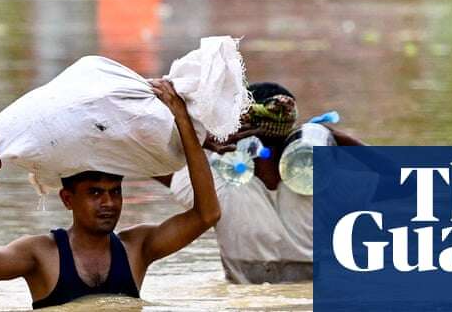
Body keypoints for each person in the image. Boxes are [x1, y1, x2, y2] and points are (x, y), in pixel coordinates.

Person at [0, 79, 220, 309]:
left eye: (115, 192)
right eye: (95, 193)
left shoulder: (137, 248)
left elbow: (207, 214)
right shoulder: (40, 253)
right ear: (67, 199)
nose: (109, 202)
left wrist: (183, 121)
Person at [155, 82, 377, 284]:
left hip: (243, 300)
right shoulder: (326, 182)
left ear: (237, 129)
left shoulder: (215, 185)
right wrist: (335, 137)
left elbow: (145, 162)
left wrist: (198, 138)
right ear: (292, 131)